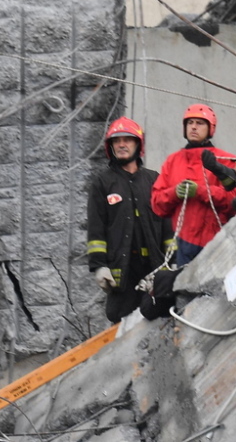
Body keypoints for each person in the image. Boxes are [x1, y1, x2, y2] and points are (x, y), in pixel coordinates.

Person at [87, 117, 174, 323]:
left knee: (160, 320)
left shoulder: (154, 180)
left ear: (138, 144)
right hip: (123, 272)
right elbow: (96, 229)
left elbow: (167, 225)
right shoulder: (102, 183)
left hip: (154, 268)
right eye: (117, 141)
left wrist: (173, 260)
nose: (121, 145)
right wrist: (99, 266)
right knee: (121, 321)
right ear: (110, 147)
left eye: (127, 140)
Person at [151, 104, 236, 266]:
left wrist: (201, 191)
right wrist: (174, 193)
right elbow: (157, 204)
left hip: (218, 244)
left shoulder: (226, 160)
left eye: (199, 123)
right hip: (183, 246)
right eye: (190, 122)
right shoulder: (172, 161)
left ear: (210, 129)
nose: (193, 127)